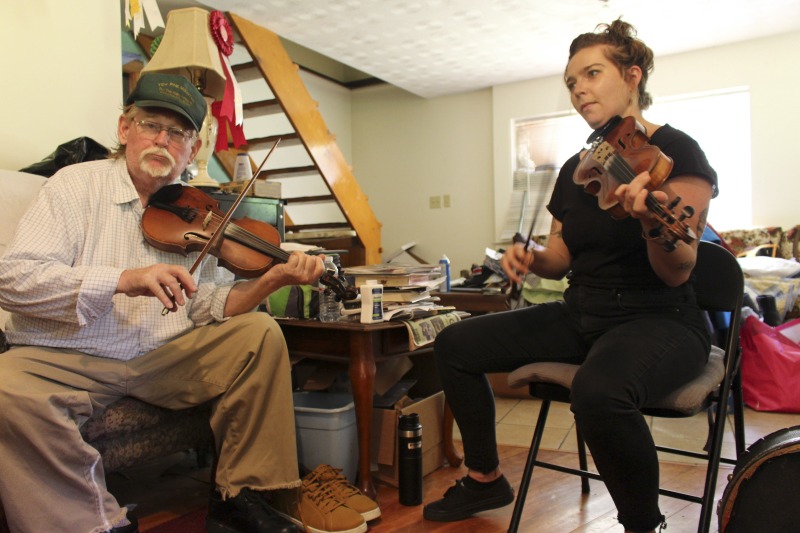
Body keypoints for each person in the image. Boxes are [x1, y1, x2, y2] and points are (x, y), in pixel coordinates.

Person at [0, 73, 372, 533]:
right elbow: (14, 279)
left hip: (162, 357)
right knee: (5, 386)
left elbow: (209, 305)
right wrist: (122, 280)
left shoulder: (200, 210)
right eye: (151, 125)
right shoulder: (73, 186)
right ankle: (94, 524)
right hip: (67, 354)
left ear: (192, 150)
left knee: (259, 333)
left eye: (178, 133)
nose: (162, 140)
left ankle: (240, 497)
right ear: (124, 129)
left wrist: (269, 279)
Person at [423, 19, 717, 533]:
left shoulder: (677, 153)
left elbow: (680, 268)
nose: (578, 87)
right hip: (583, 312)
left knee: (598, 391)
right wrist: (529, 256)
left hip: (660, 320)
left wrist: (651, 218)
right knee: (454, 344)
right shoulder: (577, 169)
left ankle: (644, 525)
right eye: (570, 81)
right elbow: (560, 254)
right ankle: (485, 476)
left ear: (632, 75)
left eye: (591, 73)